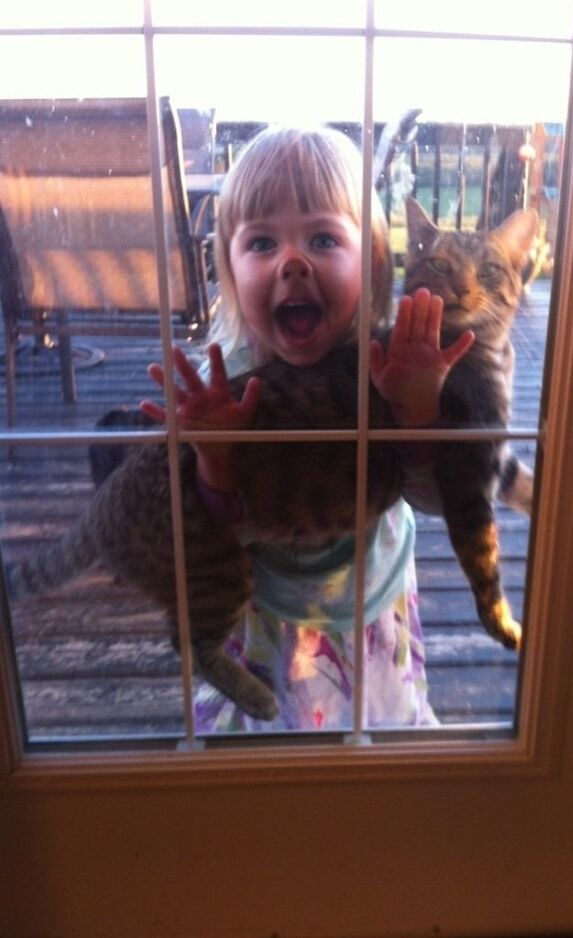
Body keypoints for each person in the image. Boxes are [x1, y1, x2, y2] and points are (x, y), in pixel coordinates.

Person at [142, 125, 473, 733]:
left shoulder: (389, 368)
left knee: (376, 749)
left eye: (322, 238)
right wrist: (215, 460)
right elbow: (206, 537)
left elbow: (431, 499)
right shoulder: (225, 386)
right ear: (230, 269)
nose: (292, 264)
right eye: (262, 244)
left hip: (368, 611)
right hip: (264, 617)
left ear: (372, 263)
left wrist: (417, 411)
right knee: (268, 772)